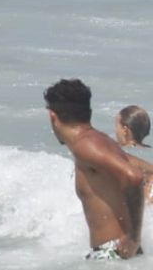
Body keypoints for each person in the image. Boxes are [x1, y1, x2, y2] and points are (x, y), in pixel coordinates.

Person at [45, 79, 147, 259]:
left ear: (52, 116)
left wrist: (133, 238)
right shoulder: (100, 141)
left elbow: (134, 177)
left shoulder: (86, 146)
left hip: (111, 255)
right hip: (117, 255)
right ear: (89, 113)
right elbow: (145, 170)